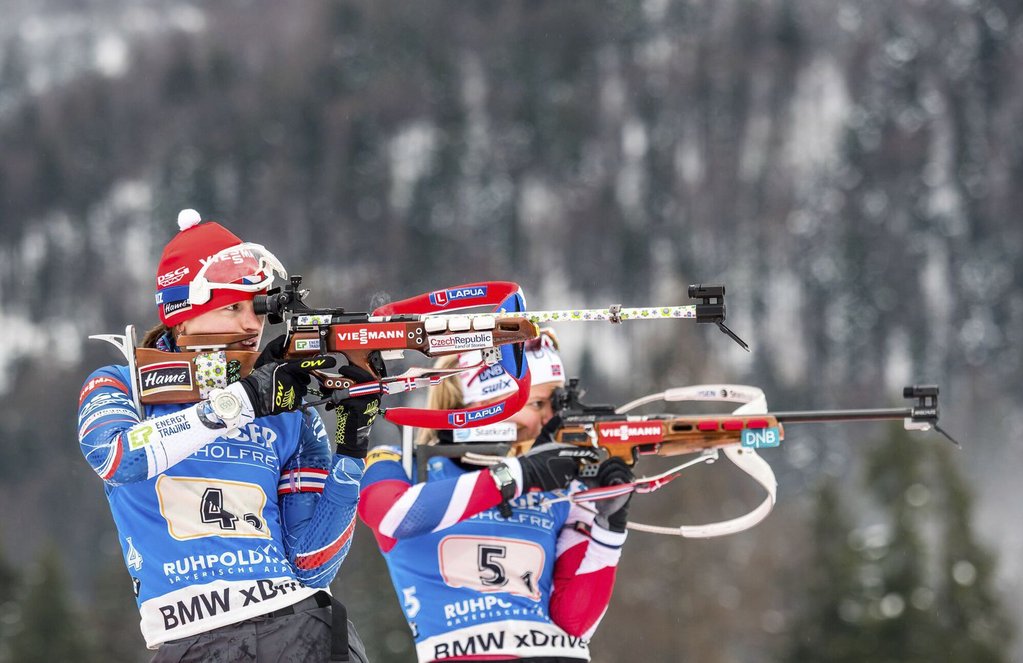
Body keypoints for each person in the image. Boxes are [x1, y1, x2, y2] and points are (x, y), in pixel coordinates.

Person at [77, 210, 372, 662]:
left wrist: (351, 449)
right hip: (189, 640)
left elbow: (313, 563)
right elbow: (116, 458)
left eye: (257, 307)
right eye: (233, 306)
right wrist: (240, 403)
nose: (252, 324)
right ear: (182, 317)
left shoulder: (286, 409)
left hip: (296, 627)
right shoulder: (121, 383)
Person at [358, 331, 633, 662]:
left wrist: (608, 528)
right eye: (537, 404)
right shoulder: (399, 463)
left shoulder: (561, 487)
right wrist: (517, 475)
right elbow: (394, 515)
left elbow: (573, 625)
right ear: (483, 404)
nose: (550, 419)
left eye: (556, 404)